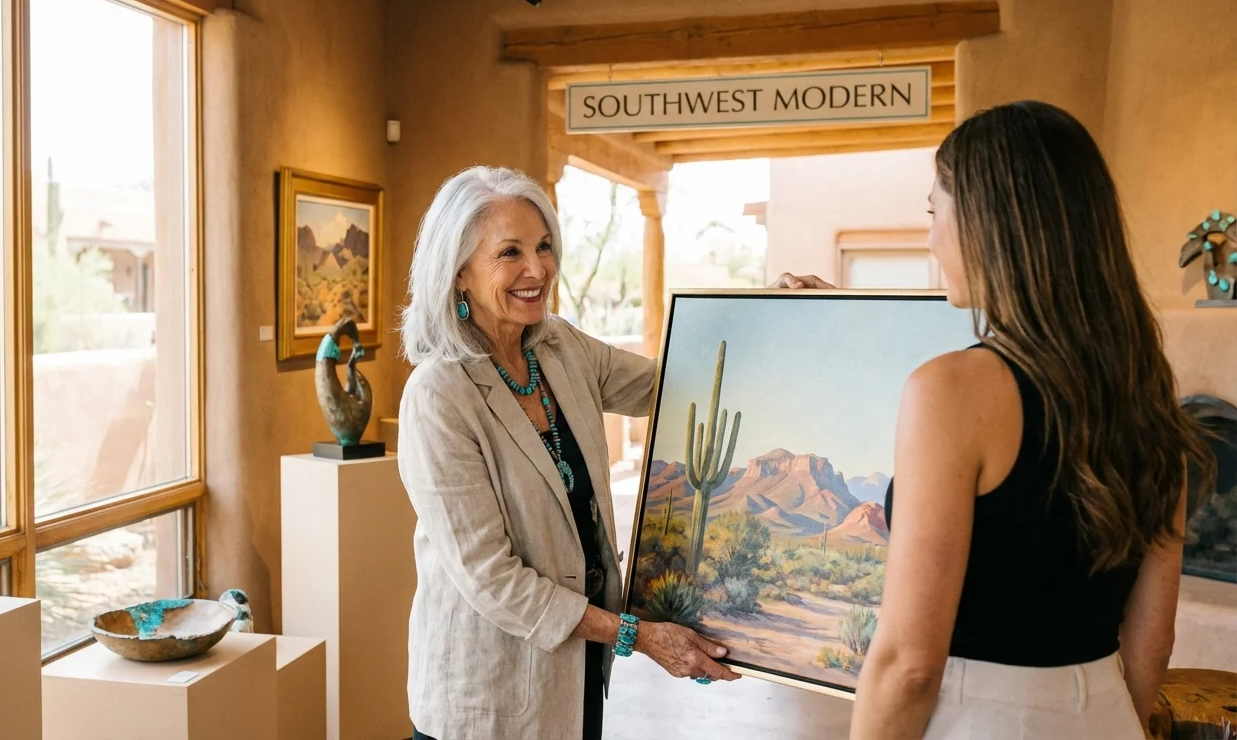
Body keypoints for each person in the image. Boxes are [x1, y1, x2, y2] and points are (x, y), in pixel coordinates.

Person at [773, 101, 1214, 738]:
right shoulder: (1145, 392)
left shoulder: (951, 392)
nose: (929, 239)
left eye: (933, 212)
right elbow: (1153, 638)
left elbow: (908, 667)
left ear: (987, 222)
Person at [397, 165, 740, 740]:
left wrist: (771, 311)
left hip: (574, 681)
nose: (538, 270)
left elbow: (671, 385)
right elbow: (491, 578)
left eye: (544, 246)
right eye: (510, 252)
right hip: (486, 700)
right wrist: (636, 634)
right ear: (458, 273)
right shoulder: (438, 394)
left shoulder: (558, 347)